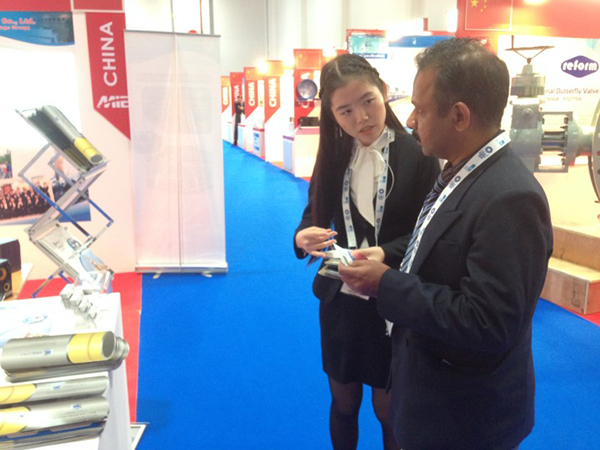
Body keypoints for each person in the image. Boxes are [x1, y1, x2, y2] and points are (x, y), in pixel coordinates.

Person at [338, 38, 553, 450]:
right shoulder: (463, 171)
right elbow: (434, 250)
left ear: (458, 116)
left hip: (466, 418)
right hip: (433, 395)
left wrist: (386, 283)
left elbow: (489, 322)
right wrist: (388, 261)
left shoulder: (509, 197)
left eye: (420, 108)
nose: (411, 119)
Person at [293, 53, 440, 450]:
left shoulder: (418, 155)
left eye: (368, 101)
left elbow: (427, 233)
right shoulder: (335, 155)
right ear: (332, 115)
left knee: (388, 410)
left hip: (391, 298)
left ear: (384, 92)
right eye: (345, 111)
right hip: (340, 301)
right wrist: (302, 237)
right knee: (343, 403)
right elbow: (313, 213)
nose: (361, 118)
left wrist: (384, 253)